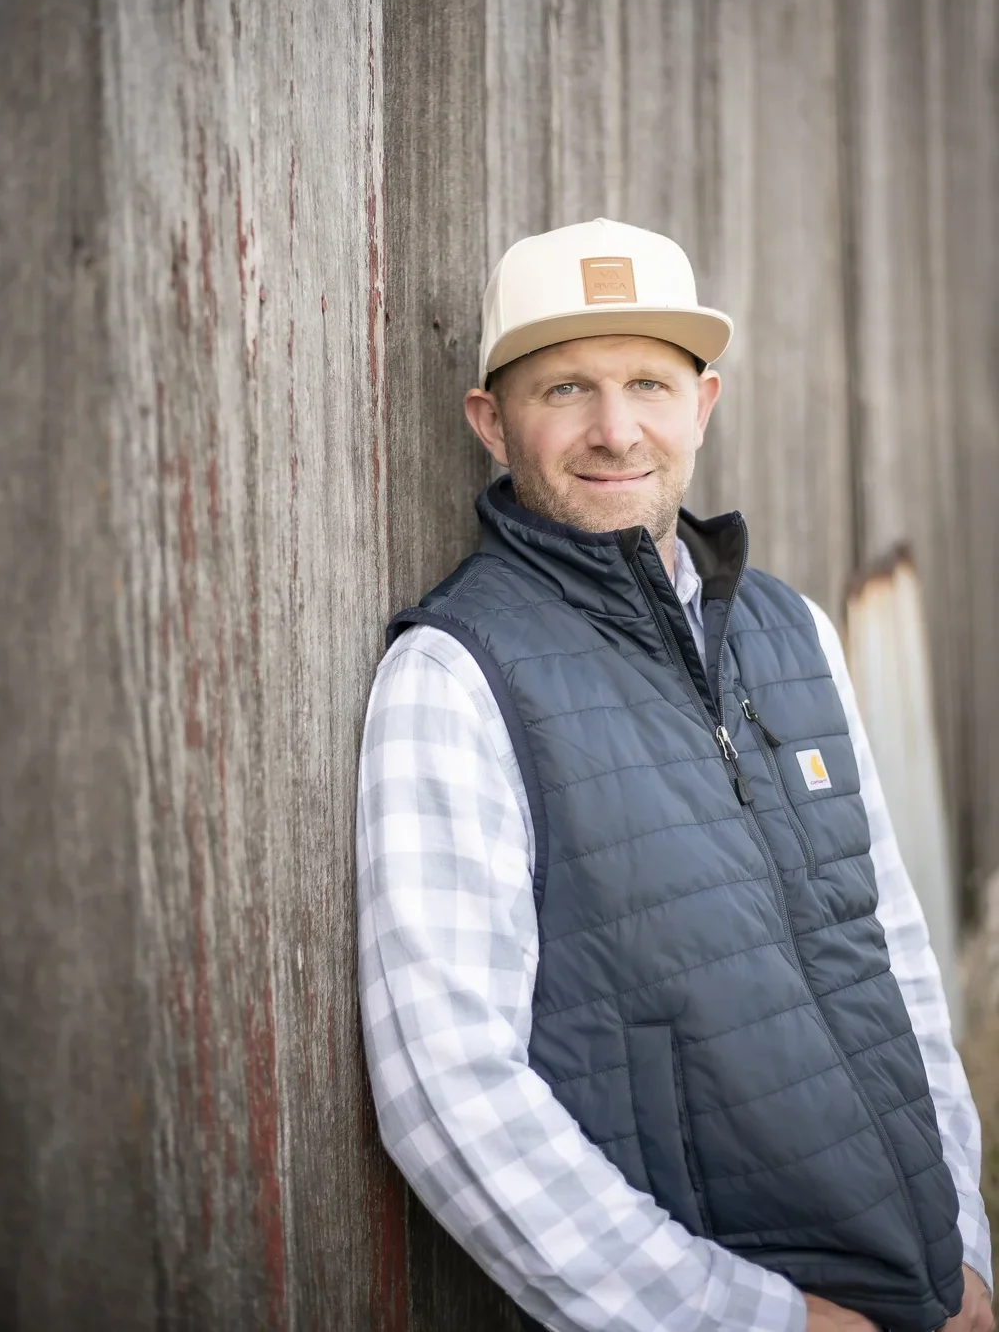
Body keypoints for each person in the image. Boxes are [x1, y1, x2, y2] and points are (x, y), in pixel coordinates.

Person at [357, 219, 993, 1332]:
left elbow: (894, 956)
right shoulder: (456, 675)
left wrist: (966, 1257)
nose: (614, 431)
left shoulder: (794, 633)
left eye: (648, 382)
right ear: (490, 422)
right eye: (563, 390)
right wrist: (757, 1320)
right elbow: (449, 1092)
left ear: (701, 404)